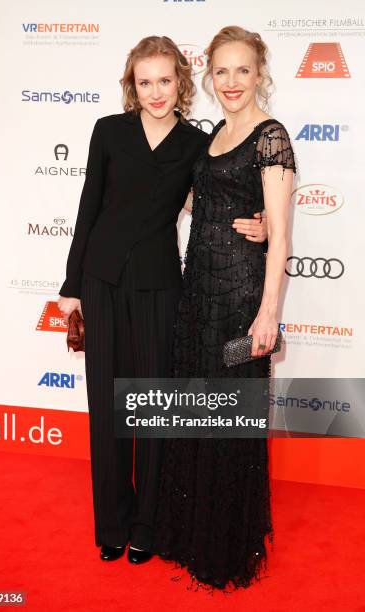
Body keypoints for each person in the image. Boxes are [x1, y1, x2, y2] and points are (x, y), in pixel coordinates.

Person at [57, 35, 268, 566]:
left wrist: (262, 224)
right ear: (133, 85)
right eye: (145, 82)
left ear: (182, 82)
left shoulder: (198, 145)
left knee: (152, 410)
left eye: (165, 80)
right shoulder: (108, 132)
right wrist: (71, 285)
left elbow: (226, 193)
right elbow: (88, 208)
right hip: (102, 283)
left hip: (160, 288)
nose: (155, 92)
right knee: (107, 409)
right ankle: (113, 523)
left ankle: (148, 523)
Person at [153, 26, 296, 590]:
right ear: (208, 77)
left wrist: (267, 314)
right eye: (221, 71)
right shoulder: (211, 134)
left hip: (239, 301)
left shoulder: (271, 137)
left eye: (242, 70)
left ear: (259, 73)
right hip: (197, 296)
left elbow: (280, 238)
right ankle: (190, 532)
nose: (231, 82)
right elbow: (198, 201)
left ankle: (224, 548)